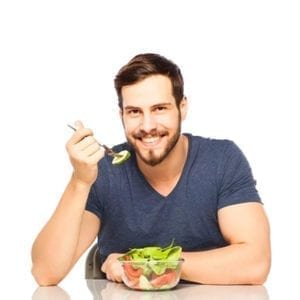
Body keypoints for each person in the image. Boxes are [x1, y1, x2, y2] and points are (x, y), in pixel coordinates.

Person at [31, 53, 271, 286]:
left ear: (182, 107)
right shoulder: (103, 171)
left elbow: (255, 263)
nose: (147, 126)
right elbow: (46, 273)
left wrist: (137, 264)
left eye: (159, 109)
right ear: (122, 115)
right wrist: (80, 181)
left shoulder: (222, 160)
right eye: (135, 112)